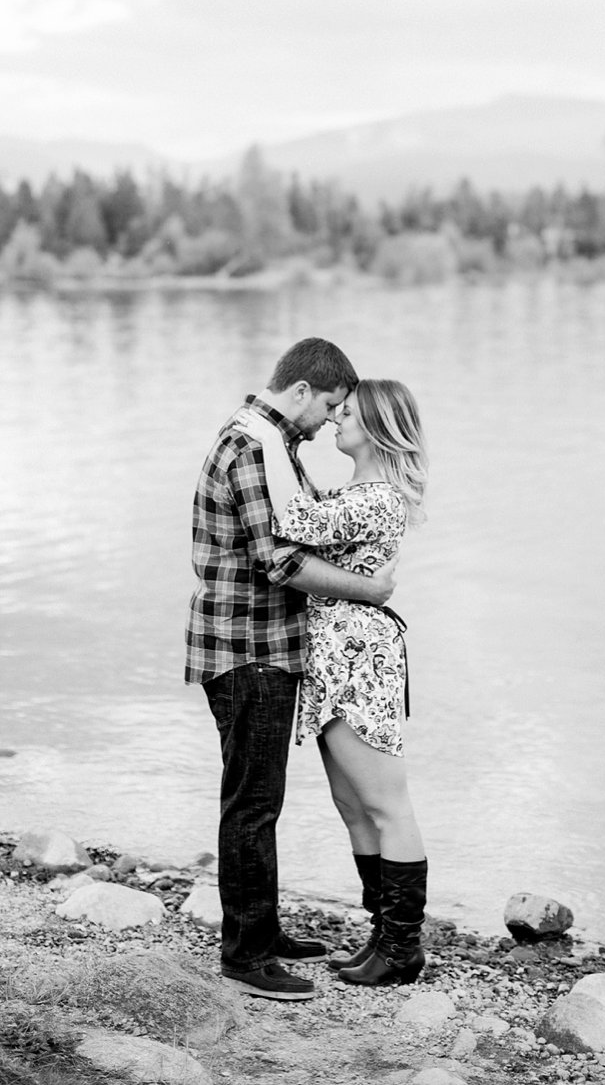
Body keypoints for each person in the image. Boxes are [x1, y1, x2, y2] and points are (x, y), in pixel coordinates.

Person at [184, 336, 395, 1003]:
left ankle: (262, 930)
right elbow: (281, 559)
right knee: (252, 802)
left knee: (259, 798)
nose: (331, 419)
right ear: (302, 390)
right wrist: (373, 589)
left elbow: (306, 525)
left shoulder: (273, 447)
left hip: (262, 645)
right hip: (248, 649)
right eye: (330, 404)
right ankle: (246, 952)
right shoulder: (251, 449)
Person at [240, 378, 432, 987]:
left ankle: (403, 948)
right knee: (353, 806)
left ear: (377, 426)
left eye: (347, 413)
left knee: (385, 804)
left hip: (359, 658)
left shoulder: (379, 498)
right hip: (331, 658)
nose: (336, 421)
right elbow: (303, 512)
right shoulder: (354, 490)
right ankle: (383, 934)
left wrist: (264, 432)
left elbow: (292, 516)